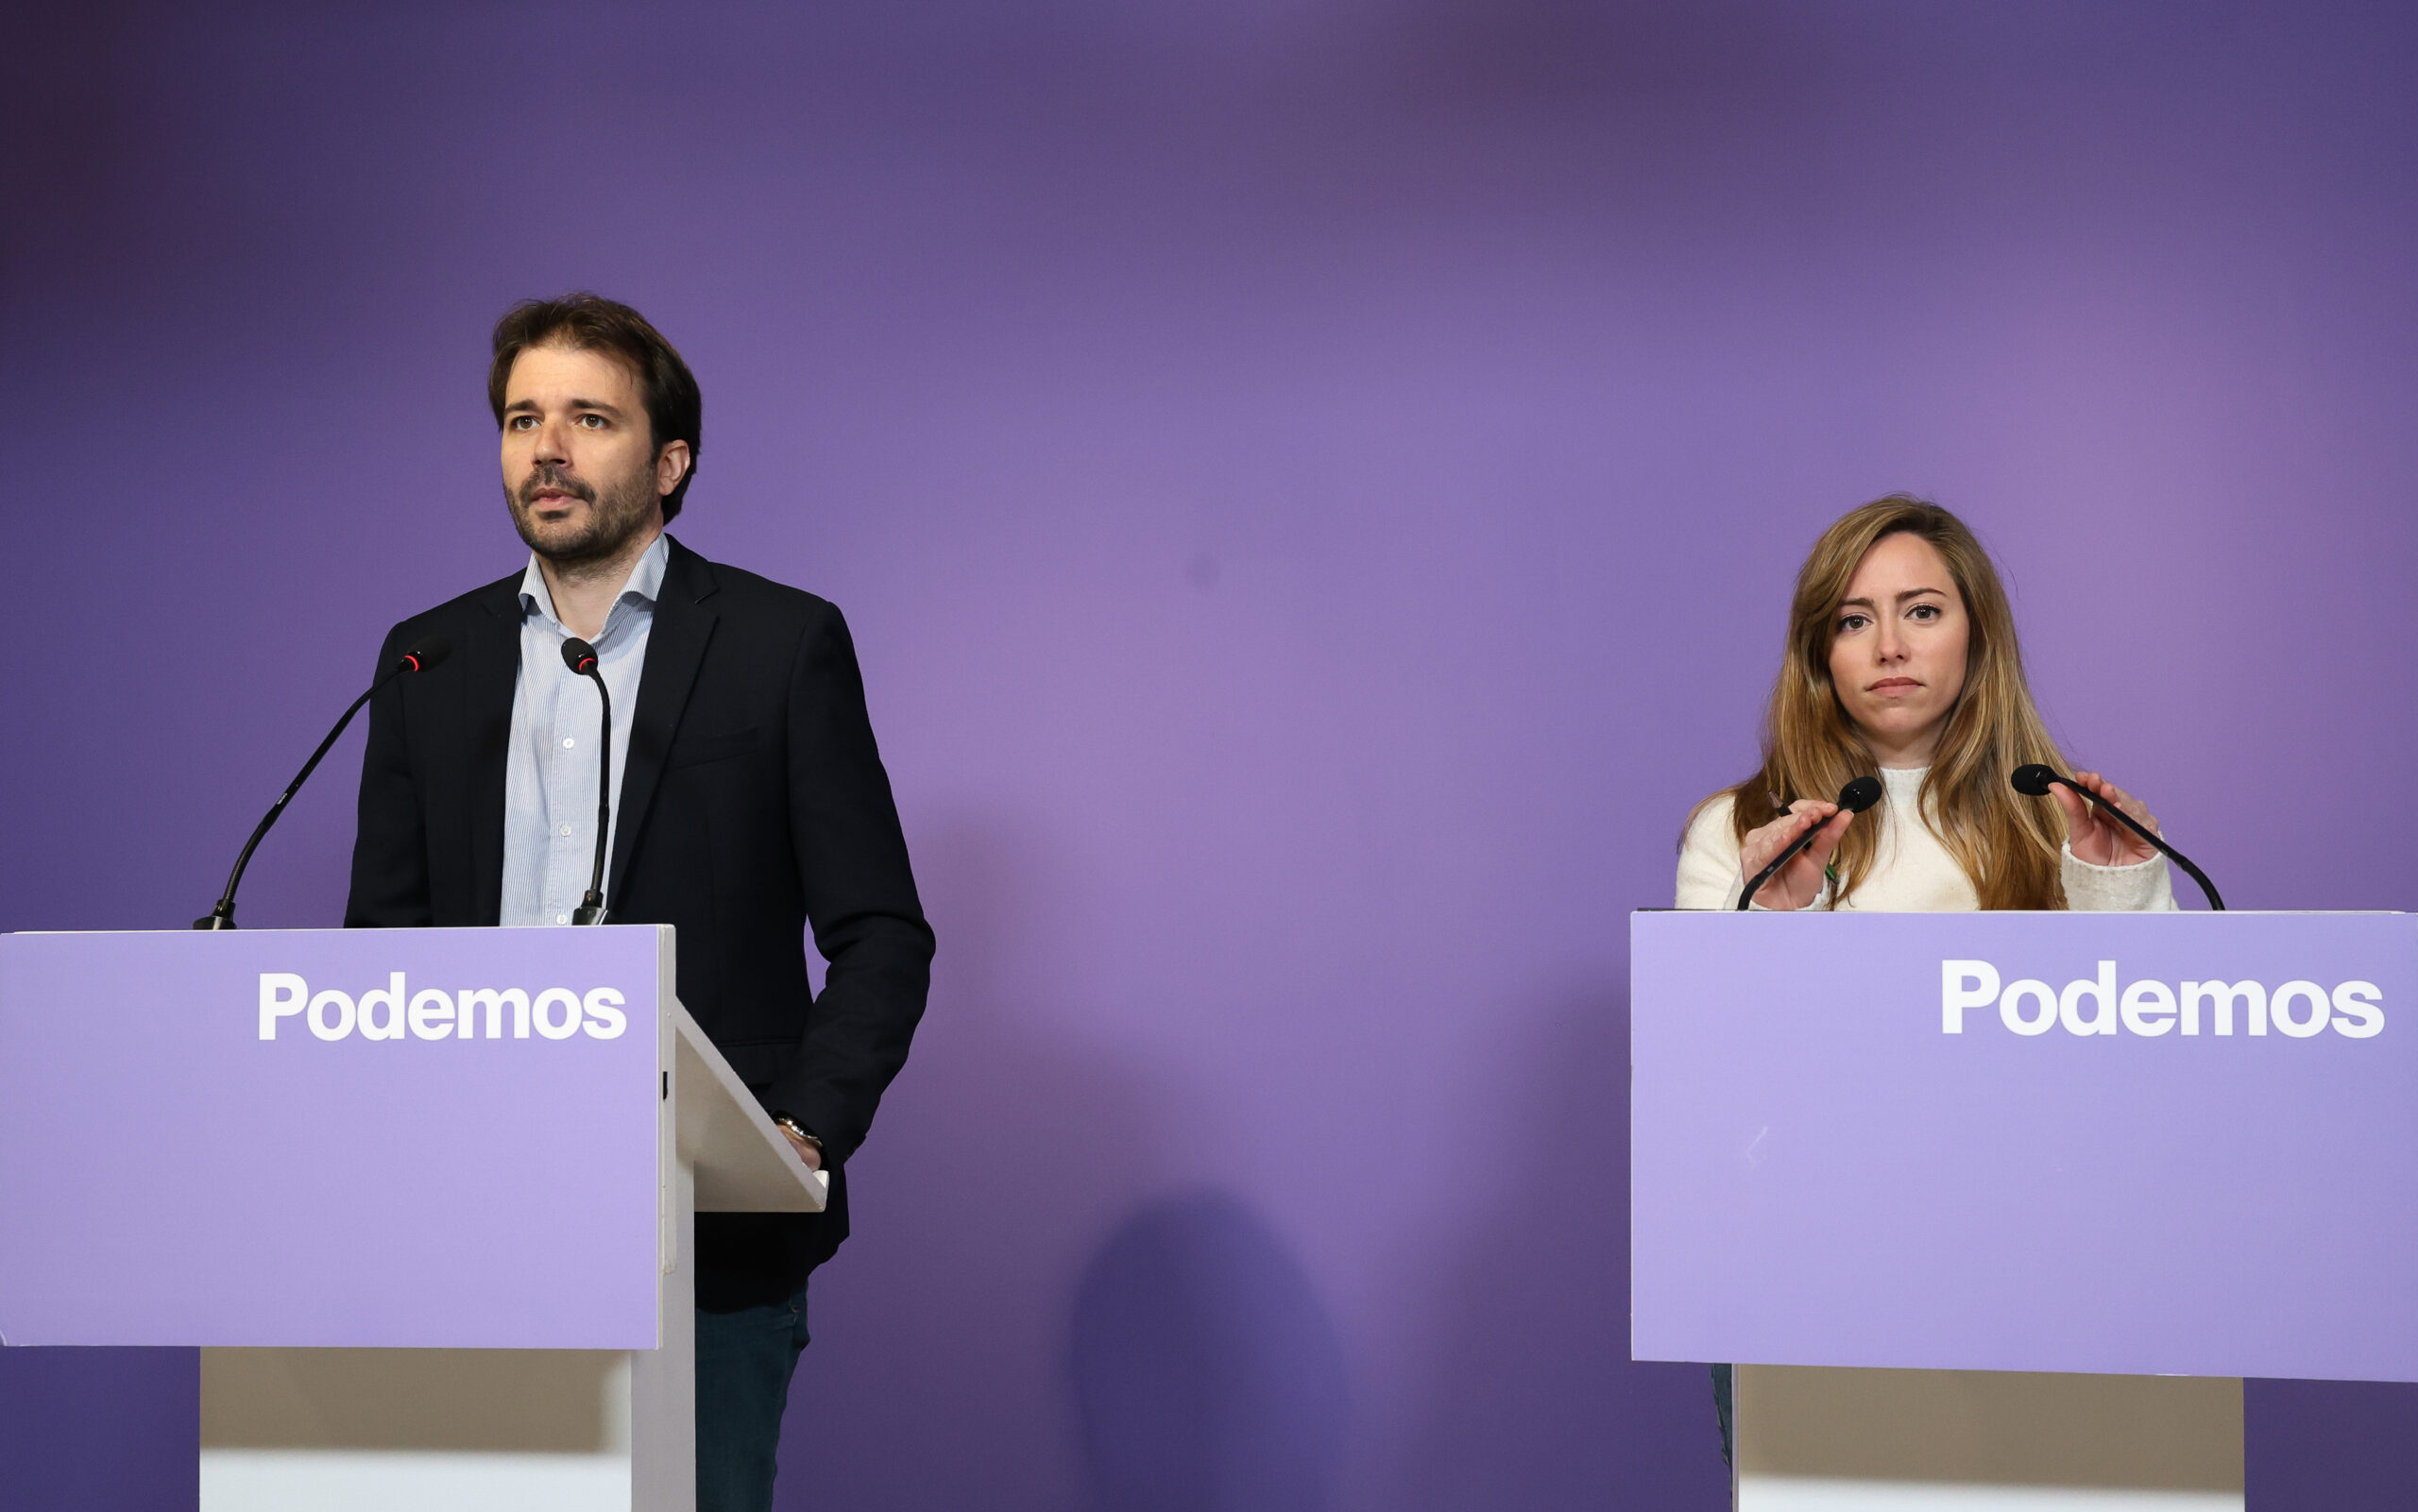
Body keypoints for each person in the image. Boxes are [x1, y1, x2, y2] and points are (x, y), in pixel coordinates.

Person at [345, 292, 934, 1512]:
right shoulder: (426, 660)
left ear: (670, 463)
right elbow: (382, 952)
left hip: (702, 1235)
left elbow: (881, 933)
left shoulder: (779, 644)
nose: (547, 449)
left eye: (589, 418)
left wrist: (802, 1129)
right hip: (473, 1221)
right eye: (523, 419)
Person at [1674, 494, 2177, 1462]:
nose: (1890, 646)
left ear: (1977, 635)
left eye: (1922, 610)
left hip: (2041, 1269)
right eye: (1853, 620)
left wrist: (2116, 884)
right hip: (1808, 1272)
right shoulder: (1738, 829)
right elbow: (1718, 1080)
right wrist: (1777, 917)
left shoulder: (2062, 815)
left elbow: (2149, 1063)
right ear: (1818, 653)